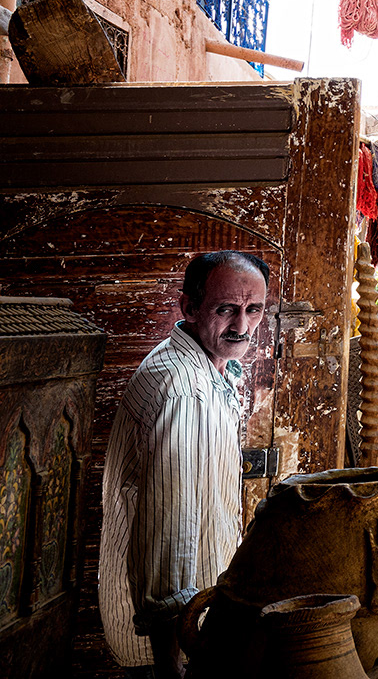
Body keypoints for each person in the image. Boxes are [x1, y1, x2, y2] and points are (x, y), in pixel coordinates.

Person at [99, 250, 270, 678]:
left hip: (198, 617)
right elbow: (168, 532)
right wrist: (170, 667)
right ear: (190, 308)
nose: (242, 326)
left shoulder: (214, 367)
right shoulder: (182, 390)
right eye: (226, 309)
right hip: (178, 636)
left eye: (255, 310)